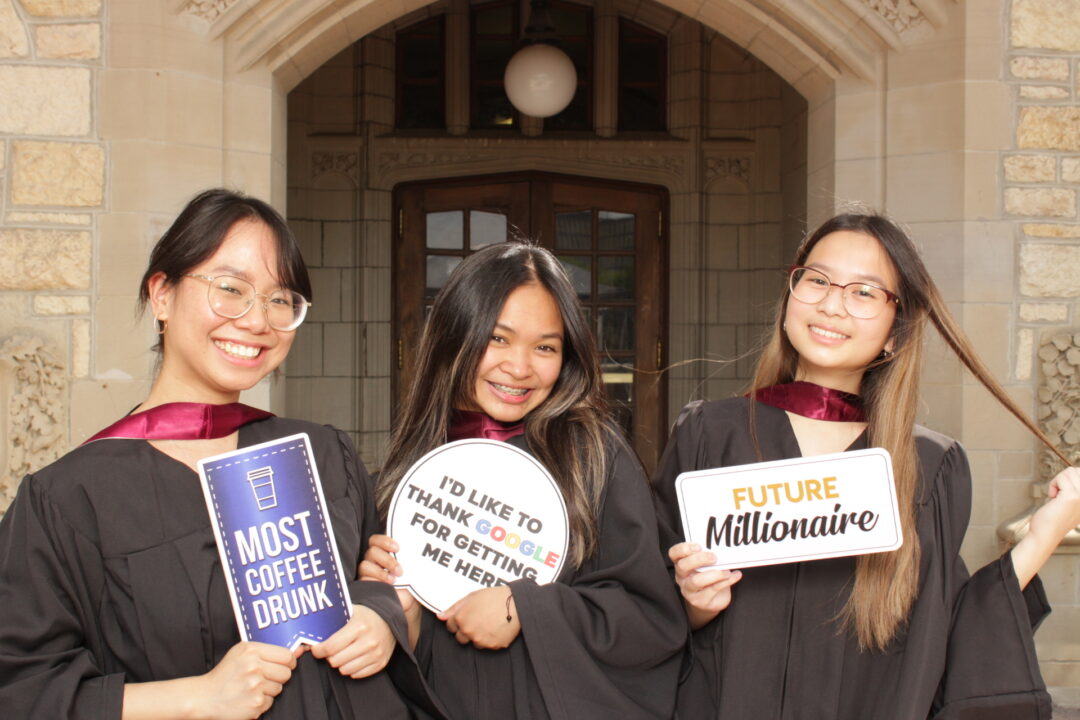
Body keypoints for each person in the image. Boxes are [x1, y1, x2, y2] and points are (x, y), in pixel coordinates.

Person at [0, 189, 442, 719]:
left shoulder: (323, 453)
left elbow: (387, 585)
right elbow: (24, 691)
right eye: (231, 289)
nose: (258, 321)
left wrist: (383, 618)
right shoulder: (69, 497)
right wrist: (197, 698)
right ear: (161, 294)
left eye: (281, 300)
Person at [653, 213, 1080, 720]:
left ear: (896, 333)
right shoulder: (709, 435)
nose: (832, 304)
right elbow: (641, 603)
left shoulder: (928, 467)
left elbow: (947, 632)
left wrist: (1044, 535)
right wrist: (695, 605)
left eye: (864, 293)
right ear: (790, 298)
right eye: (817, 280)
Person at [361, 241, 686, 719]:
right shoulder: (411, 474)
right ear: (456, 334)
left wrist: (527, 609)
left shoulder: (593, 457)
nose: (519, 367)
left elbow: (650, 620)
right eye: (497, 338)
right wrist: (396, 612)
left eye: (545, 347)